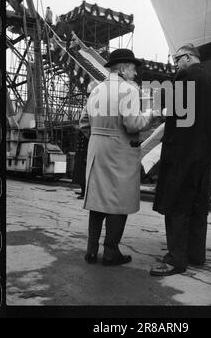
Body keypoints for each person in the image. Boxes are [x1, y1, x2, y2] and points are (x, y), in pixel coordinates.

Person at [150, 43, 211, 276]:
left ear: (188, 57)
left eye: (177, 59)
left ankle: (175, 260)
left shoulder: (185, 77)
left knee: (177, 207)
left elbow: (172, 116)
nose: (176, 65)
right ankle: (196, 255)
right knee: (198, 207)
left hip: (182, 156)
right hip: (203, 158)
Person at [79, 49, 153, 266]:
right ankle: (111, 252)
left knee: (97, 200)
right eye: (133, 68)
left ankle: (91, 251)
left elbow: (83, 122)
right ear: (122, 68)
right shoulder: (129, 90)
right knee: (119, 202)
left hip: (97, 149)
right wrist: (150, 116)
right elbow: (133, 125)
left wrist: (98, 137)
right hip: (120, 151)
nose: (135, 73)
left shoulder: (96, 89)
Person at [72, 81, 97, 199]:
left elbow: (84, 123)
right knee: (82, 168)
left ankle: (85, 192)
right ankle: (84, 190)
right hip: (85, 141)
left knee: (84, 168)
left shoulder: (92, 105)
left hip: (87, 141)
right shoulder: (92, 104)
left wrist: (91, 136)